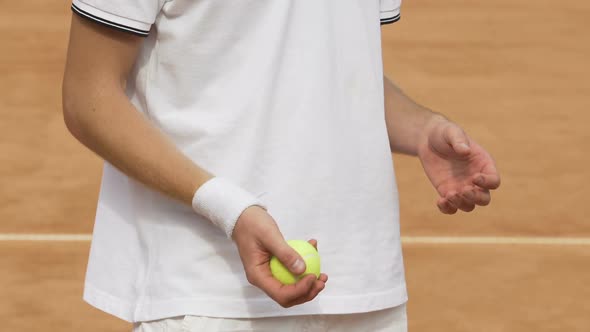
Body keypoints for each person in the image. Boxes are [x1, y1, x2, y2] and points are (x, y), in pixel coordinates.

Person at [62, 0, 500, 331]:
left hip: (363, 292)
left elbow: (331, 65)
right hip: (209, 296)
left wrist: (422, 129)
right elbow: (88, 97)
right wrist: (229, 209)